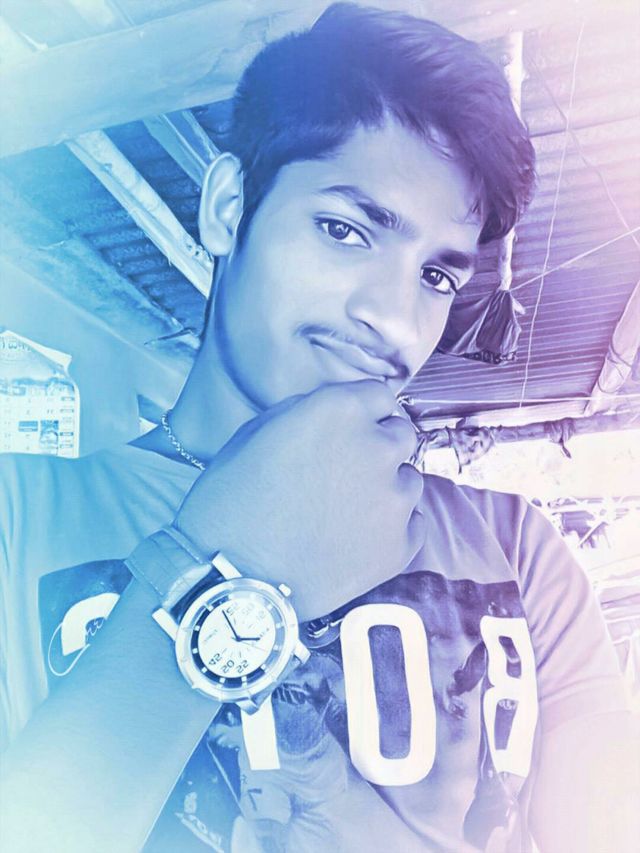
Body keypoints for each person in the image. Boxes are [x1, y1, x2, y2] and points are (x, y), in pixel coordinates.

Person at [0, 4, 637, 852]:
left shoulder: (519, 552)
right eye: (346, 230)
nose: (395, 320)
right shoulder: (18, 514)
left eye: (437, 276)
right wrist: (231, 565)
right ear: (229, 206)